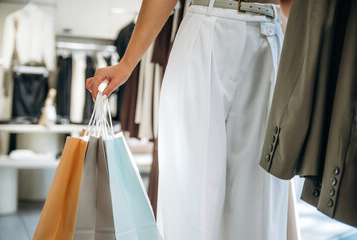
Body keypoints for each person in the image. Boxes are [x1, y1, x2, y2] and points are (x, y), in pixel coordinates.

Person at [87, 0, 293, 239]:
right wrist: (127, 63)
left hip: (269, 34)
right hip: (206, 25)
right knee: (190, 194)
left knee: (260, 199)